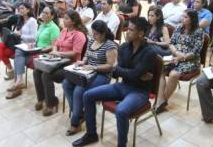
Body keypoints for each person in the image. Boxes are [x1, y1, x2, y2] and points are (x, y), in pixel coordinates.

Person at [72, 17, 157, 147]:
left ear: (141, 33)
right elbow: (116, 71)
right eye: (128, 28)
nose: (127, 32)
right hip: (123, 85)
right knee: (87, 95)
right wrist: (133, 73)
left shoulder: (150, 52)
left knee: (121, 111)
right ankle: (91, 134)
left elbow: (128, 73)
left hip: (139, 92)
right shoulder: (124, 47)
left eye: (131, 30)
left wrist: (127, 71)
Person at [62, 20, 118, 136]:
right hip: (87, 71)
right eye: (93, 33)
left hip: (101, 75)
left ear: (103, 34)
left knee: (79, 90)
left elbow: (110, 66)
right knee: (66, 84)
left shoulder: (110, 45)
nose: (94, 36)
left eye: (96, 34)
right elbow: (87, 55)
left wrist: (94, 67)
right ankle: (80, 114)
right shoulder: (92, 40)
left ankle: (75, 122)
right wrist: (82, 62)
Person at [33, 10, 87, 116]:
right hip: (58, 60)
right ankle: (42, 98)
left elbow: (75, 53)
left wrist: (59, 54)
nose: (63, 20)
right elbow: (56, 44)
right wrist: (54, 50)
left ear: (74, 21)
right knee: (37, 71)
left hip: (70, 65)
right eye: (64, 18)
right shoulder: (64, 30)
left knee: (46, 75)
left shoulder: (79, 35)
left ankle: (51, 103)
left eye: (66, 19)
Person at [155, 9, 204, 113]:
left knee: (173, 74)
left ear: (192, 20)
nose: (182, 18)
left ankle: (163, 101)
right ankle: (159, 100)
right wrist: (177, 53)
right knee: (160, 70)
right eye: (182, 16)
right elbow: (171, 43)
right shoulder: (178, 27)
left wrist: (183, 57)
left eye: (185, 17)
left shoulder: (199, 32)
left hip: (190, 60)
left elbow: (196, 52)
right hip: (174, 56)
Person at [7, 6, 60, 99]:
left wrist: (42, 49)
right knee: (18, 52)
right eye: (43, 12)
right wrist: (33, 44)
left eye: (46, 13)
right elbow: (37, 40)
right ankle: (19, 81)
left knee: (18, 56)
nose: (43, 14)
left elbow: (54, 46)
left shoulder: (54, 28)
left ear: (52, 16)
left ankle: (19, 82)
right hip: (36, 49)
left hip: (43, 53)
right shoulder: (42, 25)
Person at [0, 3, 38, 82]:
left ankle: (9, 71)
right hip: (16, 44)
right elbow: (16, 32)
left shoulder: (32, 21)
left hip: (25, 46)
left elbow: (34, 38)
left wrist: (21, 36)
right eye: (19, 8)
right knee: (0, 46)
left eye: (22, 8)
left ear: (28, 10)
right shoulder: (20, 19)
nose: (20, 10)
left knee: (1, 51)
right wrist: (13, 33)